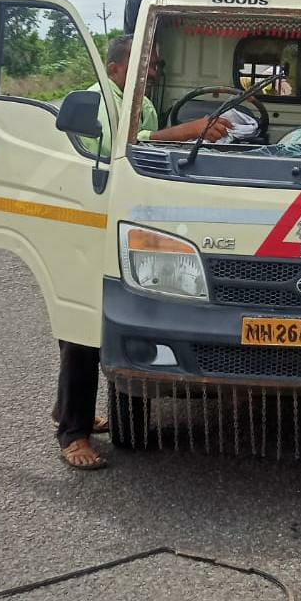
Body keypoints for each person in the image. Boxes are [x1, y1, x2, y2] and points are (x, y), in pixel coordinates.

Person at [55, 35, 232, 470]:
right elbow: (118, 146)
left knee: (97, 330)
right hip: (86, 221)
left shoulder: (142, 101)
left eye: (152, 64)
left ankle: (67, 413)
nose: (152, 70)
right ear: (116, 68)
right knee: (82, 333)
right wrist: (186, 131)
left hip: (120, 223)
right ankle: (72, 436)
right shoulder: (100, 100)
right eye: (143, 64)